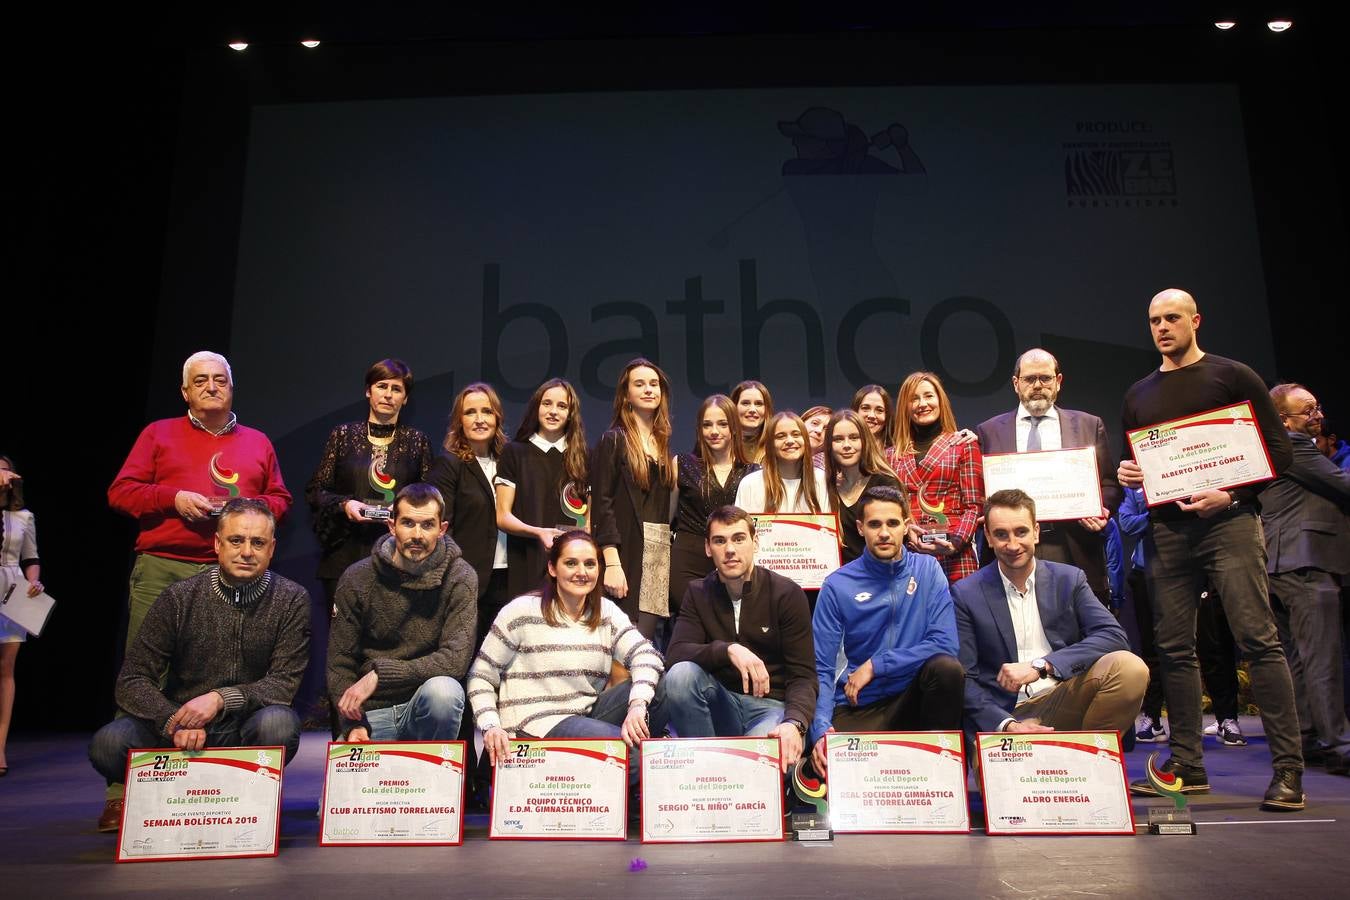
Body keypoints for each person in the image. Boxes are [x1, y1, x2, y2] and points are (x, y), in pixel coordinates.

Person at [1119, 288, 1302, 811]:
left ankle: (1288, 770)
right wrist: (1129, 472)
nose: (1162, 327)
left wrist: (1234, 493)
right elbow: (1140, 463)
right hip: (1168, 531)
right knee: (1174, 649)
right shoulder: (1138, 394)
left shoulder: (1233, 376)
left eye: (1172, 318)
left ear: (1195, 320)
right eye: (1154, 320)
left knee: (1258, 641)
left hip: (1230, 524)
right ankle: (1187, 767)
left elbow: (1280, 451)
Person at [88, 499, 309, 831]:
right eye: (236, 540)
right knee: (108, 745)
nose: (246, 552)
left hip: (243, 728)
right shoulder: (179, 598)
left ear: (271, 548)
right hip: (180, 729)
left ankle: (238, 799)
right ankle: (178, 795)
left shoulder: (291, 599)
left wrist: (220, 699)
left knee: (279, 724)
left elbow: (283, 682)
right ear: (218, 544)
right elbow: (132, 679)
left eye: (257, 543)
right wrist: (173, 721)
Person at [109, 351, 292, 653]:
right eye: (200, 381)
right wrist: (174, 499)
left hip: (232, 572)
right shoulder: (157, 433)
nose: (211, 387)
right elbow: (121, 492)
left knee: (220, 665)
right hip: (162, 568)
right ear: (185, 392)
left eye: (220, 380)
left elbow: (280, 500)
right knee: (148, 665)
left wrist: (246, 509)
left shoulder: (258, 441)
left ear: (231, 388)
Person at [952, 490, 1146, 750]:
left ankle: (1091, 759)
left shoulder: (1069, 579)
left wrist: (1043, 665)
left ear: (1036, 532)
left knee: (1130, 668)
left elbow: (1114, 636)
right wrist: (1008, 725)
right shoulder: (965, 593)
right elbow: (964, 679)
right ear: (988, 537)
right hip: (1002, 719)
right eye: (1001, 534)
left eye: (1021, 532)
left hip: (1062, 701)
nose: (1013, 545)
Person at [470, 531, 667, 783]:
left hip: (584, 715)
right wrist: (490, 725)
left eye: (590, 564)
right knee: (634, 760)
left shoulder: (606, 611)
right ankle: (609, 787)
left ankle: (625, 764)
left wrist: (637, 705)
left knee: (664, 686)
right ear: (552, 568)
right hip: (533, 724)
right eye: (571, 563)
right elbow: (480, 676)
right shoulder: (521, 611)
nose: (581, 572)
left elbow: (647, 655)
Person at [805, 487, 964, 781]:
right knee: (829, 773)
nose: (884, 533)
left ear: (906, 525)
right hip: (859, 705)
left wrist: (878, 664)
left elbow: (946, 644)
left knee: (946, 669)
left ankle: (941, 777)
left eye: (892, 523)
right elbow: (822, 668)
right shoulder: (838, 584)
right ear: (860, 528)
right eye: (874, 524)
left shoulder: (928, 570)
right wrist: (820, 730)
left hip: (912, 698)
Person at [304, 359, 432, 717]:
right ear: (368, 391)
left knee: (396, 645)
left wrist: (403, 512)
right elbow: (316, 490)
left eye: (396, 389)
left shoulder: (417, 441)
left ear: (405, 398)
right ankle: (345, 732)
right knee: (343, 650)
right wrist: (345, 504)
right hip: (345, 554)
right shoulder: (342, 436)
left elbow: (428, 497)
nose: (388, 394)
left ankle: (390, 727)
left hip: (398, 560)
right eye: (382, 386)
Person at [663, 506, 816, 771]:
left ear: (755, 542)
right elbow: (676, 654)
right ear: (708, 548)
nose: (730, 549)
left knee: (754, 763)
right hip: (722, 703)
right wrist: (728, 650)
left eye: (739, 538)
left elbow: (804, 676)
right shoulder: (698, 592)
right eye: (719, 541)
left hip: (772, 708)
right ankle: (706, 773)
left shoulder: (787, 594)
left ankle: (724, 773)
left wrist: (794, 723)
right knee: (680, 676)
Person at [327, 483, 477, 743]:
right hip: (371, 714)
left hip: (424, 708)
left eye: (427, 525)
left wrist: (380, 675)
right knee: (349, 762)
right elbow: (340, 662)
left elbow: (455, 660)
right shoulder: (356, 578)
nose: (417, 535)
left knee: (445, 691)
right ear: (391, 525)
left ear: (442, 529)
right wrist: (353, 725)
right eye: (408, 523)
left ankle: (431, 768)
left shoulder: (460, 577)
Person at [974, 348, 1121, 607]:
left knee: (1076, 623)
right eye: (1030, 379)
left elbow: (1109, 484)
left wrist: (1101, 510)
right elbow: (979, 491)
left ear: (1058, 381)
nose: (1038, 386)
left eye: (1045, 378)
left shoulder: (1088, 425)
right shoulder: (989, 431)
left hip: (1072, 544)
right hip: (1012, 547)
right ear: (1016, 383)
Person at [1263, 383, 1350, 775]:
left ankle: (1307, 738)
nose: (1318, 416)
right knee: (1322, 659)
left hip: (1279, 564)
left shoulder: (1273, 446)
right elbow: (1342, 486)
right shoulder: (1293, 445)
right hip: (1304, 562)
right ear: (1283, 420)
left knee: (1297, 660)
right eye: (1309, 410)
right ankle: (1340, 746)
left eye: (1318, 408)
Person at [591, 359, 676, 640]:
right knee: (621, 643)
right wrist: (612, 563)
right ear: (626, 395)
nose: (649, 390)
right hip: (626, 554)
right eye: (639, 384)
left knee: (645, 645)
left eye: (654, 384)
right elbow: (602, 504)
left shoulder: (662, 443)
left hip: (656, 553)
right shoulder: (614, 440)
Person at [427, 383, 513, 645]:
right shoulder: (449, 464)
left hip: (509, 577)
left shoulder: (510, 462)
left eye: (486, 411)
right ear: (459, 421)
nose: (479, 419)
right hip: (469, 579)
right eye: (470, 412)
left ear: (497, 417)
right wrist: (454, 576)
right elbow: (442, 529)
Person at [494, 378, 590, 599]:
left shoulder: (584, 456)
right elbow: (502, 516)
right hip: (526, 562)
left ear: (571, 413)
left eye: (562, 406)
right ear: (536, 407)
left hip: (571, 566)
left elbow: (587, 521)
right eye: (547, 403)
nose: (553, 411)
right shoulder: (514, 452)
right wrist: (538, 532)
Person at [886, 371, 984, 583]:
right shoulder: (891, 455)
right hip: (910, 553)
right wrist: (906, 531)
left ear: (940, 400)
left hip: (956, 556)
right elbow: (891, 509)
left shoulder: (963, 445)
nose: (922, 404)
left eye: (929, 396)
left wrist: (955, 542)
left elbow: (974, 506)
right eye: (914, 398)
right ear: (905, 406)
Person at [670, 395, 757, 620]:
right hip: (687, 560)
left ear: (734, 428)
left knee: (731, 623)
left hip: (734, 559)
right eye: (707, 425)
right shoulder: (682, 464)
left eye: (722, 424)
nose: (714, 431)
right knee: (696, 621)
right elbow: (667, 518)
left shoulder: (753, 471)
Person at [0, 455, 42, 777]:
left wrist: (34, 581)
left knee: (6, 669)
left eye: (4, 469)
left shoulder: (23, 516)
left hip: (11, 590)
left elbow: (31, 557)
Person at [822, 409, 900, 563]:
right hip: (841, 574)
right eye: (838, 439)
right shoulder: (825, 486)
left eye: (854, 438)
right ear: (829, 445)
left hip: (880, 572)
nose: (846, 445)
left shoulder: (886, 483)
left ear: (865, 441)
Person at [735, 411, 831, 515]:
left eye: (796, 434)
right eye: (781, 436)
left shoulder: (822, 479)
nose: (790, 441)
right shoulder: (749, 483)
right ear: (770, 444)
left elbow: (828, 524)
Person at [731, 380, 774, 465]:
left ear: (767, 409)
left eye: (758, 404)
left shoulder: (775, 445)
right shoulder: (722, 446)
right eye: (745, 403)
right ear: (734, 407)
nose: (752, 410)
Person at [851, 384, 896, 451]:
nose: (871, 415)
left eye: (879, 410)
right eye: (865, 408)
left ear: (887, 416)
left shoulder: (897, 453)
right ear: (855, 411)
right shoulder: (845, 449)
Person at [802, 405, 832, 470]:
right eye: (815, 423)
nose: (819, 430)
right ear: (801, 423)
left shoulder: (827, 464)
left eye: (826, 429)